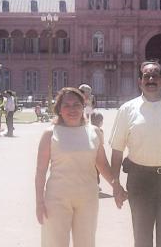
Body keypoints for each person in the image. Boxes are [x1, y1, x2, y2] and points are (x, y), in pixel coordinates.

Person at [109, 61, 161, 247]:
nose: (151, 79)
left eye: (155, 75)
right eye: (146, 76)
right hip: (140, 181)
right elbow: (117, 150)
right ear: (140, 82)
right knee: (142, 237)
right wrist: (116, 183)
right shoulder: (127, 110)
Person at [35, 87, 124, 247]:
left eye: (76, 105)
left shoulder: (94, 132)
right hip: (56, 199)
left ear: (84, 107)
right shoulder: (50, 134)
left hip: (88, 198)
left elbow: (102, 164)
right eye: (66, 105)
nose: (72, 109)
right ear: (59, 110)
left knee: (86, 243)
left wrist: (115, 186)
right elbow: (40, 172)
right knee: (55, 243)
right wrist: (39, 202)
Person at [90, 111, 104, 190]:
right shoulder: (100, 131)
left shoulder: (87, 129)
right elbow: (101, 143)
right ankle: (95, 185)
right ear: (100, 122)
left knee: (93, 170)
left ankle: (94, 185)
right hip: (97, 153)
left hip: (90, 153)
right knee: (97, 170)